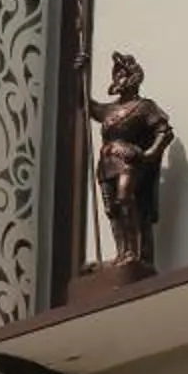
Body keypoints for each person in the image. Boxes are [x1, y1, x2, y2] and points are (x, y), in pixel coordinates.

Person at [79, 51, 175, 277]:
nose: (118, 79)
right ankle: (122, 252)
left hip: (128, 159)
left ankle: (135, 251)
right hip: (107, 162)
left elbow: (164, 131)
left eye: (122, 74)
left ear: (132, 77)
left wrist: (150, 154)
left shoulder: (144, 107)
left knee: (125, 198)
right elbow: (86, 104)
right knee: (111, 208)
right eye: (116, 74)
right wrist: (79, 75)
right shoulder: (109, 110)